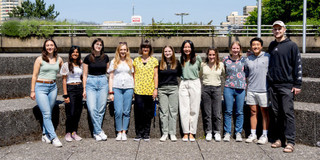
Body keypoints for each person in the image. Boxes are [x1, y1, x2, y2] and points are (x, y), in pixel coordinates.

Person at [267, 20, 302, 153]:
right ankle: (280, 139)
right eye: (275, 29)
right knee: (276, 114)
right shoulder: (272, 45)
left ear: (284, 30)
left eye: (279, 29)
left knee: (288, 113)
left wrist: (297, 84)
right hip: (274, 85)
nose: (277, 31)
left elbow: (298, 65)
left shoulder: (292, 45)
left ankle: (291, 141)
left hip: (287, 85)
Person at [30, 39, 64, 147]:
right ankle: (54, 137)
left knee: (48, 112)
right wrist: (32, 90)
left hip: (53, 87)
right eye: (47, 45)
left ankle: (45, 134)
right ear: (45, 47)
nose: (49, 47)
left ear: (55, 47)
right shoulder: (39, 59)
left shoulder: (59, 59)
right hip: (41, 87)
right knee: (47, 113)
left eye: (51, 45)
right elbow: (34, 76)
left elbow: (64, 71)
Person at [82, 38, 109, 141]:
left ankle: (96, 133)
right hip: (91, 83)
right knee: (92, 108)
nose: (99, 46)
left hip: (103, 82)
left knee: (101, 109)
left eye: (100, 45)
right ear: (93, 45)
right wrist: (84, 89)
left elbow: (108, 71)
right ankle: (99, 131)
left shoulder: (105, 57)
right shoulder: (88, 58)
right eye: (97, 44)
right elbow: (84, 75)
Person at [244, 38, 270, 145]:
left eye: (258, 45)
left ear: (261, 46)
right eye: (253, 45)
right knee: (253, 112)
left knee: (264, 112)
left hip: (264, 90)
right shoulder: (248, 59)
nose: (255, 47)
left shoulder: (268, 57)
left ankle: (264, 135)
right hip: (251, 89)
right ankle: (253, 134)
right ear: (251, 47)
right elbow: (246, 73)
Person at [108, 42, 134, 141]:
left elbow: (133, 76)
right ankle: (119, 131)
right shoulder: (114, 61)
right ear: (118, 51)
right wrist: (110, 92)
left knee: (126, 111)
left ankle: (124, 132)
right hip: (117, 88)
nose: (123, 51)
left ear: (127, 51)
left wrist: (134, 89)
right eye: (121, 50)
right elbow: (111, 77)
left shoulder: (131, 61)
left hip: (128, 88)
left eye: (125, 50)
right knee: (118, 111)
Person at [133, 39, 158, 141]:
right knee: (138, 112)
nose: (145, 49)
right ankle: (139, 133)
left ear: (150, 49)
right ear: (141, 48)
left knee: (148, 113)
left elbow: (156, 76)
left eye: (147, 47)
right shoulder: (136, 60)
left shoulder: (154, 61)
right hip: (138, 90)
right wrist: (133, 87)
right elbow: (134, 75)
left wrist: (155, 89)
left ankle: (146, 133)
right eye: (144, 47)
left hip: (149, 89)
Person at [222, 41, 246, 142]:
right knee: (228, 111)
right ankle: (227, 132)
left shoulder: (244, 60)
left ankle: (238, 132)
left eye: (237, 48)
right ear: (230, 49)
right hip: (228, 87)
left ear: (240, 49)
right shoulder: (225, 60)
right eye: (234, 48)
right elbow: (222, 72)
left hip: (240, 88)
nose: (235, 50)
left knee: (239, 112)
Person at [200, 47, 225, 142]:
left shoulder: (221, 65)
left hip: (217, 89)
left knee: (217, 112)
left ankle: (217, 132)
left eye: (213, 54)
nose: (211, 56)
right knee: (207, 112)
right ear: (207, 55)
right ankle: (209, 132)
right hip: (206, 89)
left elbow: (224, 75)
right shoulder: (203, 65)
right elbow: (200, 75)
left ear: (216, 55)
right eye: (210, 54)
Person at [179, 40, 202, 142]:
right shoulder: (181, 59)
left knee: (194, 109)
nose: (187, 49)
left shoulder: (198, 58)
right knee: (184, 109)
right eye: (185, 47)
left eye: (189, 47)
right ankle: (185, 132)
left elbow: (200, 71)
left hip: (194, 83)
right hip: (184, 83)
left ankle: (192, 132)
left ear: (192, 48)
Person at [158, 46, 182, 142]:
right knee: (164, 112)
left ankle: (172, 133)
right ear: (163, 53)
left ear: (172, 52)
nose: (167, 53)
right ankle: (165, 133)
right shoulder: (160, 63)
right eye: (165, 51)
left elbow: (179, 74)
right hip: (162, 89)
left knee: (173, 111)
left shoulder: (176, 63)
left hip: (173, 88)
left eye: (169, 51)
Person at [60, 45, 83, 142]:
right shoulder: (66, 65)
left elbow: (82, 77)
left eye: (77, 52)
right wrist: (65, 95)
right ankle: (68, 133)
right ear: (70, 54)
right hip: (71, 88)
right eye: (73, 52)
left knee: (77, 112)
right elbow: (64, 80)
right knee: (71, 112)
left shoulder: (81, 64)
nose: (75, 54)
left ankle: (74, 132)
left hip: (79, 88)